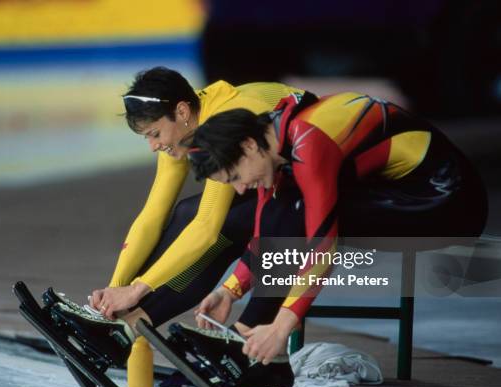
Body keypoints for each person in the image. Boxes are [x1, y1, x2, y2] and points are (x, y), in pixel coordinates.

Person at [185, 92, 488, 364]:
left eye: (235, 176)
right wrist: (229, 291)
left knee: (298, 211)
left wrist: (282, 326)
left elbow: (322, 245)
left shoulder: (308, 142)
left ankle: (245, 342)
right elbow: (266, 230)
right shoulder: (273, 139)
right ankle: (246, 338)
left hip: (453, 205)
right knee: (284, 206)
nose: (239, 189)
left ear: (249, 145)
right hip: (404, 189)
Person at [48, 67, 317, 365]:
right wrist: (116, 288)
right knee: (186, 211)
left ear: (182, 111)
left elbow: (207, 228)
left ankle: (141, 328)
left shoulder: (219, 123)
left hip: (319, 179)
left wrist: (136, 290)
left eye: (154, 134)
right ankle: (119, 325)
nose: (153, 146)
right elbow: (153, 213)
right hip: (283, 176)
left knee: (225, 227)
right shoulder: (184, 123)